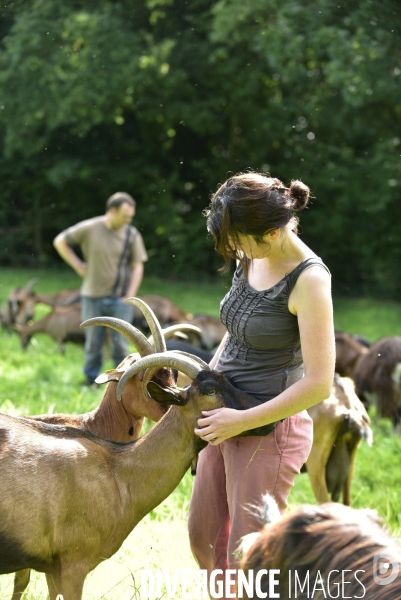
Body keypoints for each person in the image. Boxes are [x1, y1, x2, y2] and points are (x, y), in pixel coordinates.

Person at [188, 172, 335, 597]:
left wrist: (242, 420)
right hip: (225, 413)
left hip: (269, 428)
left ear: (273, 233)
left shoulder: (309, 280)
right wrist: (204, 389)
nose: (233, 249)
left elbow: (320, 383)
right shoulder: (250, 253)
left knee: (251, 559)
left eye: (238, 240)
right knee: (204, 535)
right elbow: (236, 334)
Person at [53, 192, 148, 384]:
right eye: (125, 216)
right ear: (112, 211)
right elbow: (60, 241)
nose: (128, 220)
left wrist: (130, 294)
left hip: (120, 298)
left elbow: (138, 265)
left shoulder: (131, 234)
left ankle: (122, 381)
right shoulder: (89, 228)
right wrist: (78, 265)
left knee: (121, 345)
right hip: (92, 296)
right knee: (92, 343)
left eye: (131, 217)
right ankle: (91, 380)